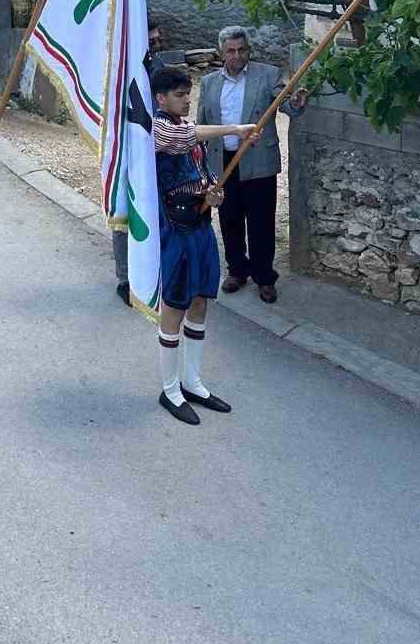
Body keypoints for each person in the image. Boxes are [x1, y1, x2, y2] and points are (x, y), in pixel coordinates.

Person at [152, 65, 258, 425]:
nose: (186, 100)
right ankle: (169, 389)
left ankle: (192, 381)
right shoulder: (155, 128)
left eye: (188, 94)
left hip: (199, 226)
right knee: (175, 303)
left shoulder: (185, 129)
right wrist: (235, 129)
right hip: (174, 230)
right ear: (160, 98)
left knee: (200, 299)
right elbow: (185, 140)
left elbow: (204, 170)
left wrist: (214, 192)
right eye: (180, 95)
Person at [196, 27, 307, 305]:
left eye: (242, 50)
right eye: (231, 51)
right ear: (222, 53)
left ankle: (264, 277)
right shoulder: (209, 83)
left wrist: (295, 103)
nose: (237, 56)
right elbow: (201, 124)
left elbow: (286, 105)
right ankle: (237, 270)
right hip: (223, 162)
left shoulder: (267, 74)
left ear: (249, 50)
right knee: (229, 219)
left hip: (258, 162)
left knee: (261, 222)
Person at [114, 24, 164, 306]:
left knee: (150, 211)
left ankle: (149, 269)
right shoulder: (120, 68)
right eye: (152, 38)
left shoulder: (158, 65)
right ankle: (125, 278)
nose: (157, 42)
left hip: (155, 149)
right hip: (126, 152)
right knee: (124, 213)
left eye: (159, 38)